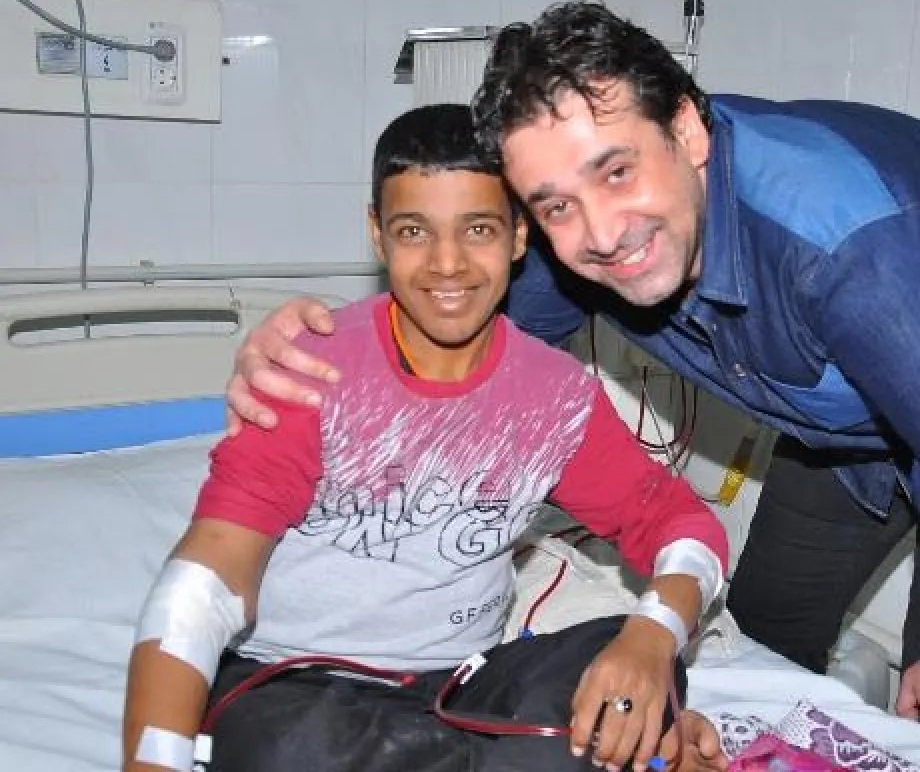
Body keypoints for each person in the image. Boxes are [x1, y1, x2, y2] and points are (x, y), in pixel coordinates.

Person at [222, 1, 920, 772]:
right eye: (555, 205)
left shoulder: (846, 249)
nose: (600, 234)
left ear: (689, 132)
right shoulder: (579, 243)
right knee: (768, 626)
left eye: (617, 170)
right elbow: (461, 334)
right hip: (849, 424)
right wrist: (324, 348)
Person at [122, 103, 731, 772]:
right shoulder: (306, 369)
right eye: (415, 231)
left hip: (463, 687)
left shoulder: (553, 398)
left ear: (519, 236)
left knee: (621, 658)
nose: (448, 264)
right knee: (289, 752)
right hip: (296, 687)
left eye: (478, 229)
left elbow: (680, 523)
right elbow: (205, 580)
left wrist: (652, 641)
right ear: (377, 235)